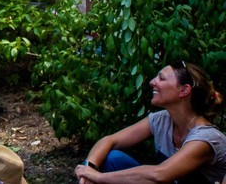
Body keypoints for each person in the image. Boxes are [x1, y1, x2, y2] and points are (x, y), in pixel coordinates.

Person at [77, 61, 226, 184]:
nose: (152, 82)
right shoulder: (162, 119)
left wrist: (97, 177)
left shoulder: (207, 138)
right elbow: (110, 140)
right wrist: (88, 167)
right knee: (113, 158)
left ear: (184, 91)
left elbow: (160, 174)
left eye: (161, 78)